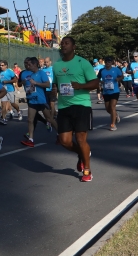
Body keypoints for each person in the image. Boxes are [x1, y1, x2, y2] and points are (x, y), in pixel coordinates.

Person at [52, 36, 98, 183]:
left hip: (81, 105)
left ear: (74, 47)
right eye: (62, 43)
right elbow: (55, 84)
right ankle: (83, 154)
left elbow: (95, 83)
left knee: (80, 139)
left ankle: (87, 170)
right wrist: (53, 91)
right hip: (64, 106)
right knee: (65, 141)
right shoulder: (57, 65)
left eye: (67, 43)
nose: (63, 45)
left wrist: (81, 86)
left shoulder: (82, 63)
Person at [19, 57, 57, 145]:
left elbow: (47, 84)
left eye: (30, 65)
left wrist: (36, 83)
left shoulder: (41, 73)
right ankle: (31, 140)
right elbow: (26, 85)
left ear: (35, 64)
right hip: (32, 100)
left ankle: (60, 134)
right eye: (27, 65)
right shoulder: (30, 75)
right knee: (30, 120)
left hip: (41, 100)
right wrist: (24, 83)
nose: (28, 66)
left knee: (49, 119)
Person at [98, 57, 123, 131]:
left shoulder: (116, 69)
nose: (108, 63)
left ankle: (113, 124)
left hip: (115, 91)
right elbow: (97, 78)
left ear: (111, 63)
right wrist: (100, 82)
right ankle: (115, 114)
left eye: (109, 62)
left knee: (112, 107)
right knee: (107, 109)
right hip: (106, 91)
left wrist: (118, 79)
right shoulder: (102, 70)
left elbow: (122, 76)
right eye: (106, 62)